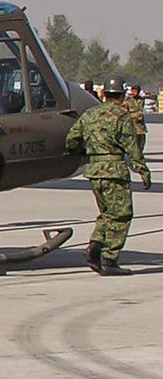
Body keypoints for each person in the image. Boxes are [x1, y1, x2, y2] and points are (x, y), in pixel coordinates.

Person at [65, 76, 151, 276]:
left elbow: (72, 139)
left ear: (103, 94)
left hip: (95, 170)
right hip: (114, 170)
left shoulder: (89, 115)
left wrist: (83, 153)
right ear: (121, 95)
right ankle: (110, 259)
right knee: (121, 214)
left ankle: (96, 244)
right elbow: (133, 147)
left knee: (107, 213)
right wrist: (143, 171)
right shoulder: (122, 116)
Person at [124, 84, 147, 155]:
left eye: (136, 90)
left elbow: (140, 110)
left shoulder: (141, 99)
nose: (134, 92)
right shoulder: (127, 100)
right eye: (133, 90)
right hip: (132, 125)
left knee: (141, 144)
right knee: (132, 145)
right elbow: (125, 112)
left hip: (140, 126)